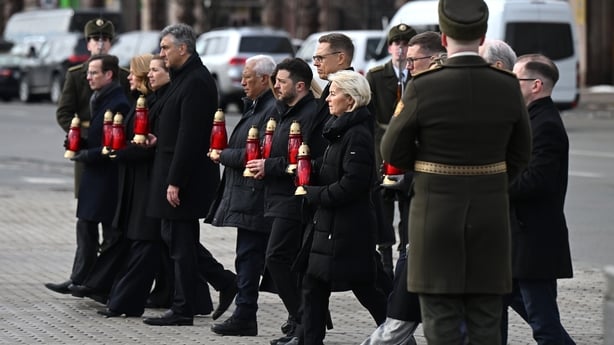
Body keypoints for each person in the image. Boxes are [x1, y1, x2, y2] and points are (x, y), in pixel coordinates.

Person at [380, 0, 532, 343]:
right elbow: (522, 153)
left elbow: (392, 150)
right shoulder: (507, 85)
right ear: (482, 38)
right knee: (486, 318)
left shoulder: (423, 85)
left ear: (444, 39)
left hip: (435, 216)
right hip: (491, 216)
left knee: (440, 316)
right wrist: (491, 181)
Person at [143, 23, 236, 327]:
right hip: (171, 168)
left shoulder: (197, 81)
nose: (162, 54)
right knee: (176, 240)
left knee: (181, 244)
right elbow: (175, 126)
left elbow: (191, 136)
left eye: (166, 47)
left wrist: (175, 181)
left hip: (185, 176)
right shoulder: (184, 79)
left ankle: (183, 309)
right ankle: (224, 282)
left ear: (183, 48)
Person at [361, 31, 446, 345]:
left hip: (416, 175)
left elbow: (397, 139)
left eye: (412, 57)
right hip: (397, 167)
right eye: (400, 49)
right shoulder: (377, 76)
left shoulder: (422, 87)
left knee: (412, 247)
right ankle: (389, 260)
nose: (407, 62)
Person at [46, 17, 130, 295]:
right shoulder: (76, 74)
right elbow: (64, 112)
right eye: (96, 39)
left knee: (111, 222)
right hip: (88, 154)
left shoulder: (121, 74)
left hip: (111, 155)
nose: (100, 43)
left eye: (105, 39)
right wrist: (79, 134)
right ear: (88, 42)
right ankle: (81, 275)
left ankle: (102, 279)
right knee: (87, 222)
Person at [244, 57, 322, 345]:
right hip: (274, 195)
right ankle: (305, 327)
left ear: (300, 86)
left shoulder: (310, 113)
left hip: (294, 198)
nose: (276, 86)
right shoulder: (282, 111)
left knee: (276, 259)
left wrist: (271, 166)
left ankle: (305, 321)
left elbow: (304, 158)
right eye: (275, 80)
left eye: (282, 81)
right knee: (287, 263)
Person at [299, 69, 380, 345]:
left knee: (365, 287)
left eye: (333, 94)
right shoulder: (338, 131)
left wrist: (314, 194)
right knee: (313, 285)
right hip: (330, 226)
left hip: (348, 228)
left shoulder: (356, 135)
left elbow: (352, 185)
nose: (328, 100)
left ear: (352, 99)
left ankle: (399, 335)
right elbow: (330, 169)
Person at [68, 54, 156, 303]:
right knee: (96, 229)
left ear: (108, 75)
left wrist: (90, 153)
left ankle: (98, 283)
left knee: (115, 236)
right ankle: (91, 281)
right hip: (104, 173)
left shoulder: (119, 102)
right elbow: (106, 138)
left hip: (110, 176)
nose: (89, 77)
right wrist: (82, 144)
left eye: (94, 72)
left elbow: (119, 143)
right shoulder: (104, 98)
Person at [502, 53, 575, 345]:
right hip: (517, 240)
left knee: (544, 325)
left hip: (534, 242)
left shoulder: (546, 125)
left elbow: (537, 181)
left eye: (514, 80)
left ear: (535, 85)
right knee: (498, 309)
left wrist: (493, 186)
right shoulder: (530, 119)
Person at [207, 55, 277, 336]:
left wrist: (222, 155)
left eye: (248, 76)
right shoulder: (256, 106)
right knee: (249, 258)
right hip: (248, 196)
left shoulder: (270, 109)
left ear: (264, 79)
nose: (242, 81)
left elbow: (257, 153)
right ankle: (247, 313)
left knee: (252, 258)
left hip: (256, 196)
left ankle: (247, 314)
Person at [366, 23, 417, 278]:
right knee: (383, 206)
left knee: (409, 206)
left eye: (406, 44)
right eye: (397, 44)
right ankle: (385, 255)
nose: (401, 49)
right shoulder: (376, 75)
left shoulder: (419, 76)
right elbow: (370, 116)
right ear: (389, 47)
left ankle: (405, 255)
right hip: (383, 150)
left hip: (409, 152)